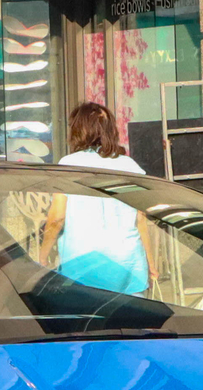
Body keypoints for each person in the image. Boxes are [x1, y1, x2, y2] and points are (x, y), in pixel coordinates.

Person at [42, 102, 154, 296]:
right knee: (132, 320)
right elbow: (140, 220)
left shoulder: (68, 165)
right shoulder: (130, 166)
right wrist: (151, 263)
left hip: (82, 262)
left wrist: (42, 257)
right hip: (128, 263)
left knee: (86, 322)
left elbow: (56, 220)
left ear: (77, 130)